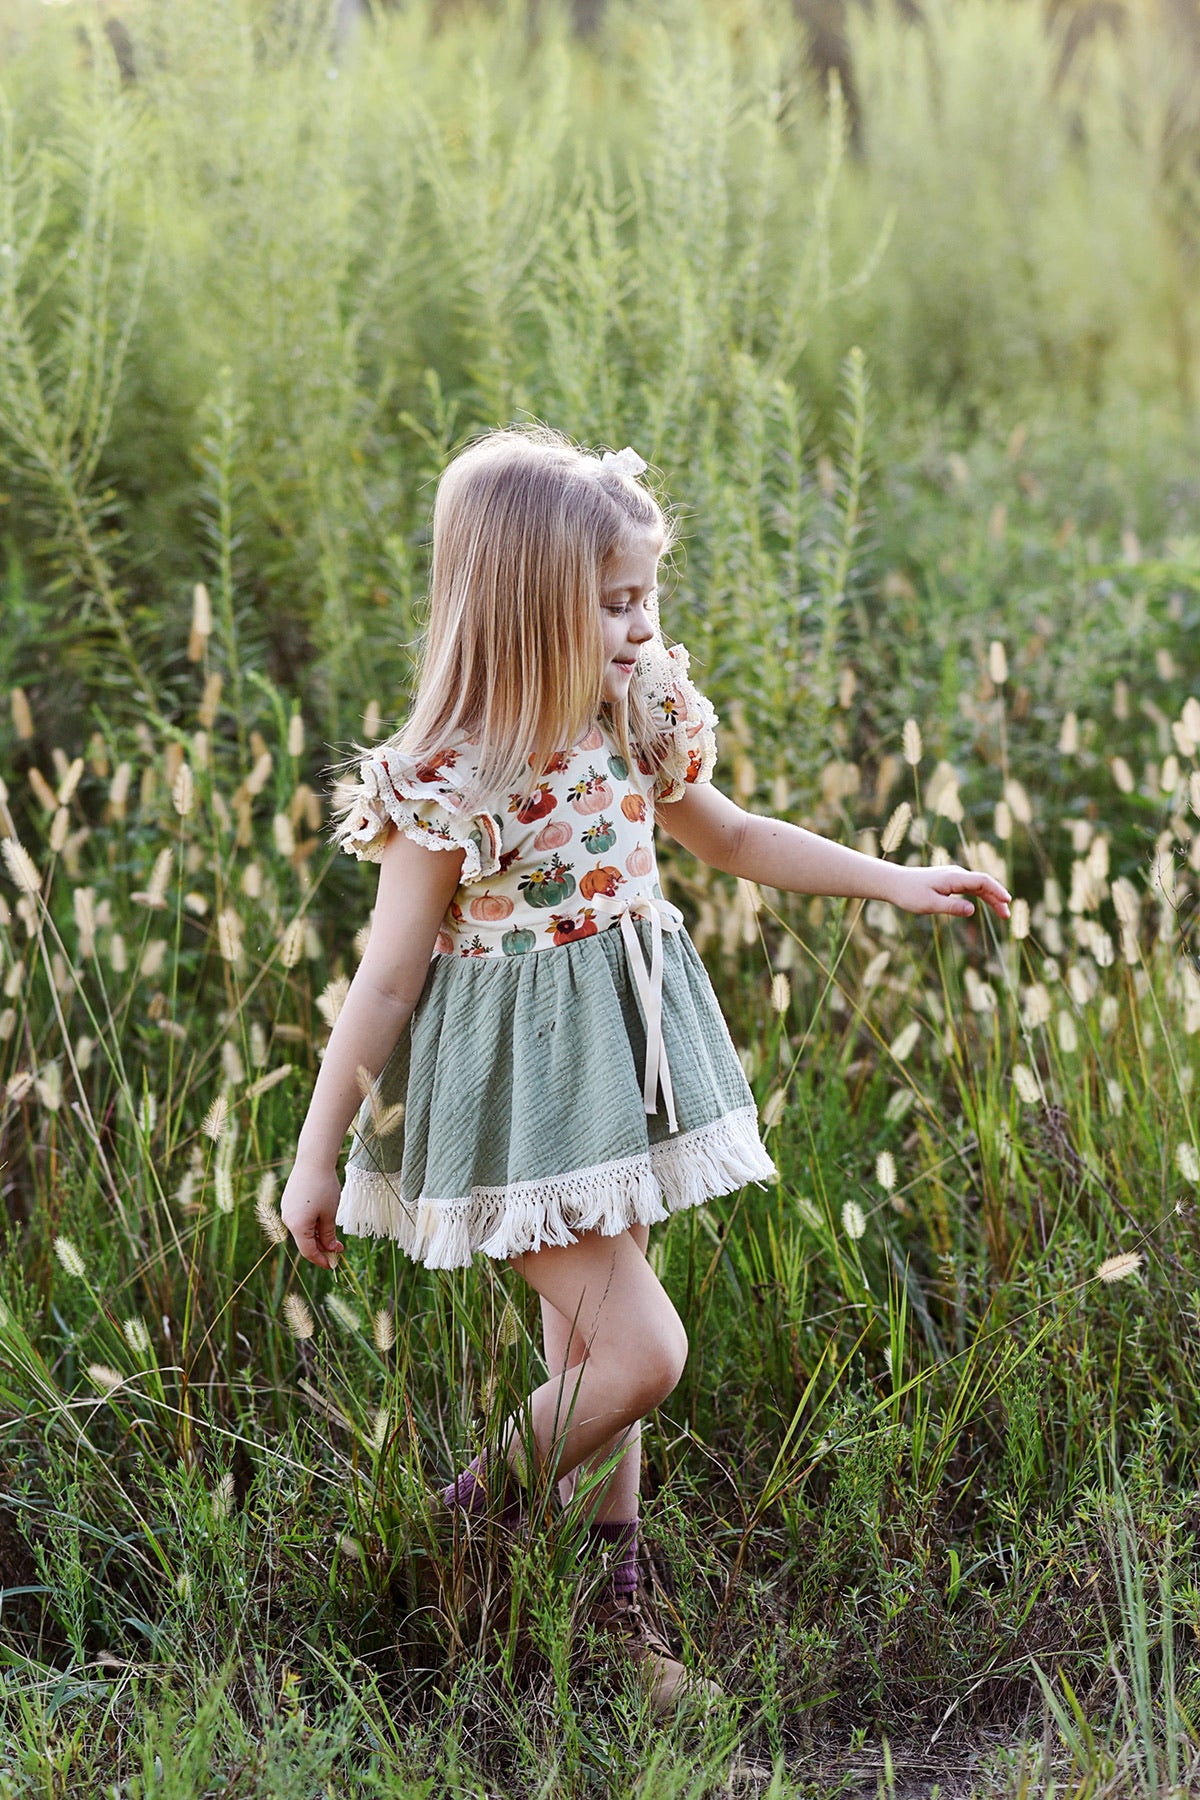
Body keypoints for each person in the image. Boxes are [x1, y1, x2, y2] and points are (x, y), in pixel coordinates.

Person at [280, 427, 1011, 1715]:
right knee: (639, 1357)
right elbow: (387, 982)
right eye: (614, 603)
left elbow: (727, 836)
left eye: (645, 597)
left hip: (623, 1066)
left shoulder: (633, 715)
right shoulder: (457, 781)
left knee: (590, 1351)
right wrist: (319, 1148)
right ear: (523, 606)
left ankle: (609, 1625)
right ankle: (451, 1541)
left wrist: (896, 880)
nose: (640, 626)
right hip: (517, 1102)